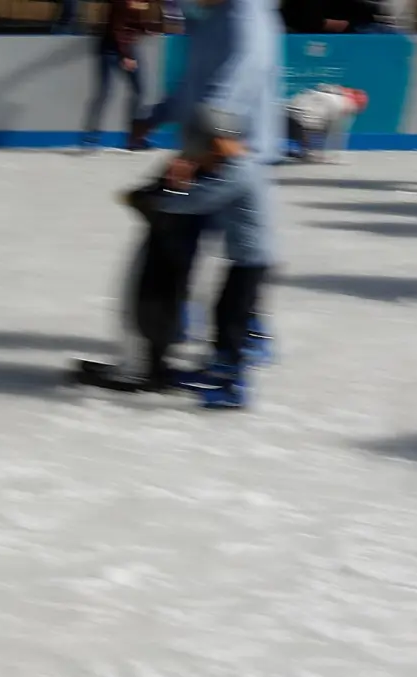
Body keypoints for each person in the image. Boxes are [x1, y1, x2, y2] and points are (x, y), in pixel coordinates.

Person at [129, 0, 283, 409]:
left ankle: (238, 345)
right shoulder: (206, 19)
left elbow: (241, 77)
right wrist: (157, 115)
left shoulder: (246, 14)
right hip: (211, 148)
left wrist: (194, 157)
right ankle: (220, 340)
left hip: (230, 150)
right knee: (231, 258)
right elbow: (192, 85)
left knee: (230, 260)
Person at [81, 0, 154, 150]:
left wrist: (146, 29)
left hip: (124, 47)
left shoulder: (137, 3)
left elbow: (134, 20)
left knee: (137, 91)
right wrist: (126, 55)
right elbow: (117, 26)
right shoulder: (121, 3)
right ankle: (92, 135)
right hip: (113, 49)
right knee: (106, 92)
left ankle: (133, 137)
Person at [287, 84, 368, 162]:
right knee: (319, 127)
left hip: (287, 117)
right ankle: (308, 152)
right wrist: (333, 157)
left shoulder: (325, 94)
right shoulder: (345, 105)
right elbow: (335, 135)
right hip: (300, 124)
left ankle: (307, 151)